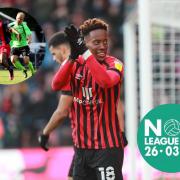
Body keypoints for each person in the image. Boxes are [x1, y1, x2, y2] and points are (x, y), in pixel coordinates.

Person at [51, 18, 126, 180]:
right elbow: (56, 85)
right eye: (97, 42)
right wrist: (72, 56)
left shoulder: (115, 64)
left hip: (107, 148)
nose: (102, 46)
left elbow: (105, 82)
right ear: (85, 43)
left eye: (105, 41)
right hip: (81, 150)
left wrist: (85, 53)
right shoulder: (75, 64)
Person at [38, 32, 75, 180]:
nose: (53, 58)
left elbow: (62, 112)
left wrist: (45, 133)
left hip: (89, 142)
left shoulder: (71, 70)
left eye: (54, 53)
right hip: (105, 139)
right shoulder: (93, 63)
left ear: (63, 50)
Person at [8, 12, 35, 78]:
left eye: (21, 19)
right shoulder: (11, 25)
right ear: (16, 18)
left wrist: (29, 39)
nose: (19, 20)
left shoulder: (24, 25)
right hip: (15, 46)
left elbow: (28, 33)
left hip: (24, 46)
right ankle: (23, 70)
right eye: (18, 18)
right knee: (13, 60)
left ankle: (33, 72)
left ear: (23, 20)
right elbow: (6, 30)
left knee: (26, 61)